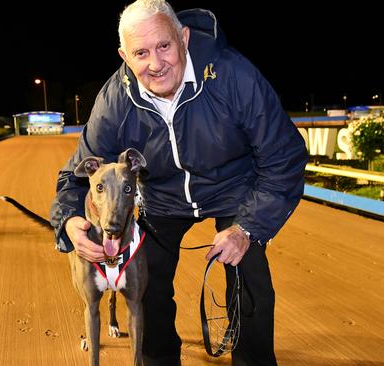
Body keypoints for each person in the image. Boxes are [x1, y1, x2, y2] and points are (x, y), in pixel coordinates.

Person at [50, 0, 308, 364]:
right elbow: (75, 176)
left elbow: (284, 156)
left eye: (164, 46)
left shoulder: (234, 76)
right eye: (141, 53)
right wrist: (68, 221)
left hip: (234, 190)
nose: (155, 64)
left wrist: (247, 229)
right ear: (125, 56)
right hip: (162, 199)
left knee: (249, 277)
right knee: (147, 280)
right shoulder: (114, 100)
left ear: (183, 38)